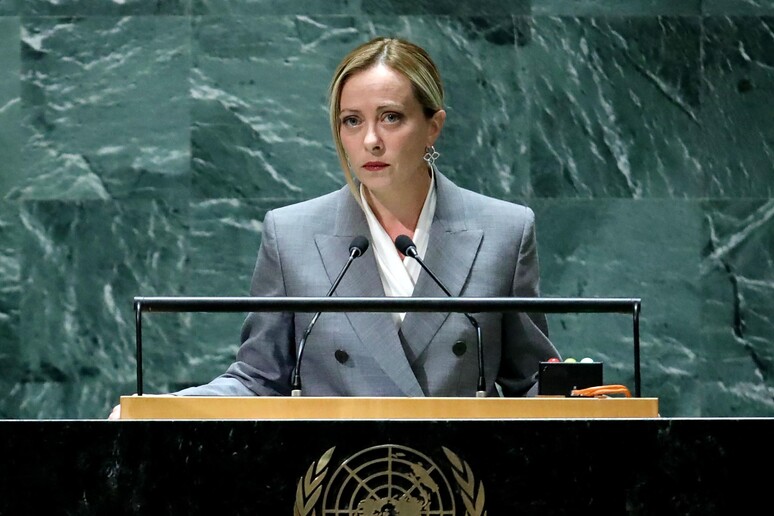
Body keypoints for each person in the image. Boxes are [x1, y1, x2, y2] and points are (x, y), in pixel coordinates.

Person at [110, 37, 558, 419]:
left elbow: (533, 383)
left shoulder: (503, 231)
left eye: (391, 117)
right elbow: (258, 379)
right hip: (338, 484)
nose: (370, 141)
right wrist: (162, 408)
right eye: (352, 121)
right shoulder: (291, 235)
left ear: (432, 127)